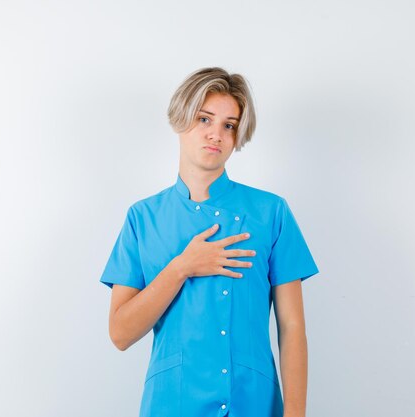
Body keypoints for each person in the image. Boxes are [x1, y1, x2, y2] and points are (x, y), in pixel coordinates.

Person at [99, 67, 320, 417]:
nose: (216, 134)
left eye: (229, 125)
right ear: (180, 119)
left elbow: (292, 327)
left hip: (254, 402)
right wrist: (182, 266)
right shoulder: (143, 218)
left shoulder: (270, 212)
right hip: (172, 404)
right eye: (205, 119)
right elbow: (120, 333)